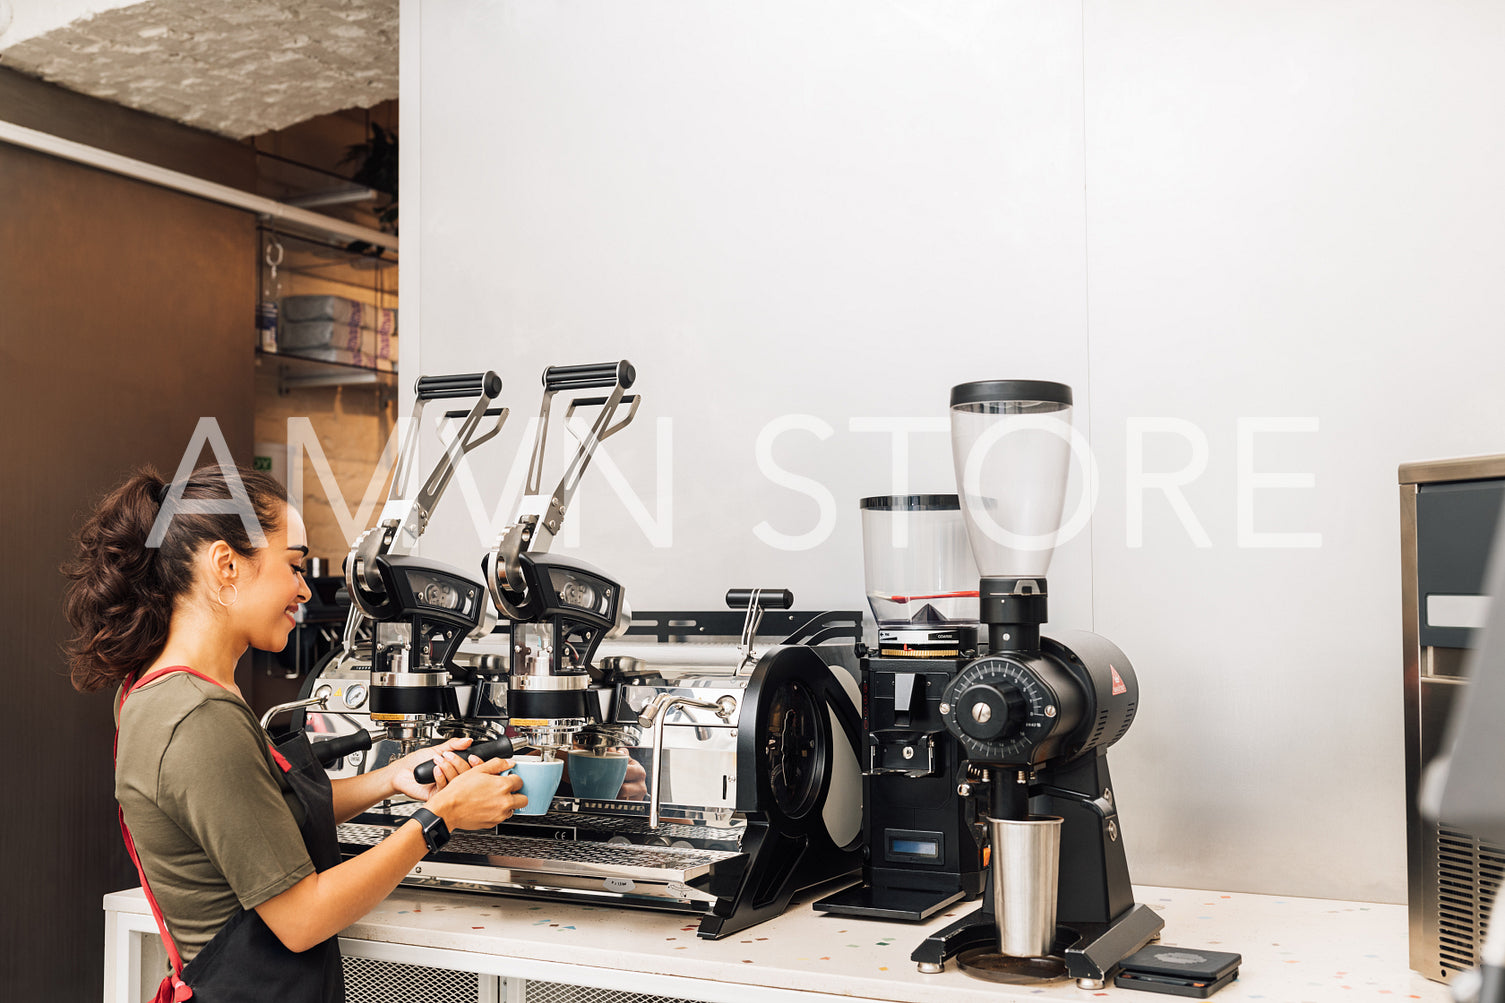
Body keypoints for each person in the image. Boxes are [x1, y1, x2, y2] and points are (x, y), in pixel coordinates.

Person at [64, 464, 524, 1003]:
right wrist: (440, 819)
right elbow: (302, 918)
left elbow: (257, 822)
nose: (305, 589)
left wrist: (390, 779)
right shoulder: (198, 718)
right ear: (226, 565)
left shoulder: (156, 691)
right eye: (293, 566)